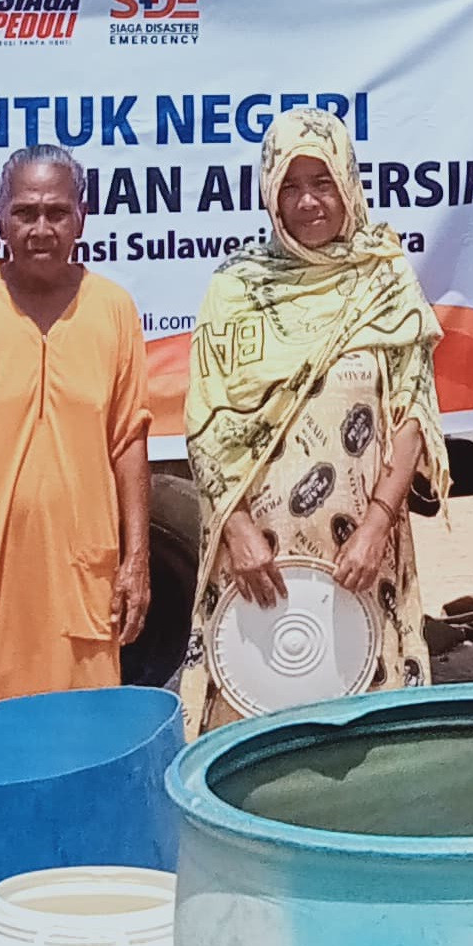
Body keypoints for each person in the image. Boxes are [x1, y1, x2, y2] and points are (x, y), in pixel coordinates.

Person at [181, 107, 448, 730]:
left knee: (368, 725)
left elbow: (412, 411)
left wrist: (378, 525)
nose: (307, 202)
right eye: (290, 186)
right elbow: (205, 422)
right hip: (255, 559)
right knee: (250, 718)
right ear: (269, 193)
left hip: (361, 552)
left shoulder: (384, 279)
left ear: (348, 184)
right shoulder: (236, 289)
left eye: (322, 182)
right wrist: (238, 530)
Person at [0, 145, 153, 715]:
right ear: (0, 218)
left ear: (81, 217)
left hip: (78, 574)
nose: (40, 228)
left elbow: (129, 442)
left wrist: (136, 561)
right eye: (25, 212)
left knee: (74, 742)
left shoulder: (113, 308)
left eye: (56, 212)